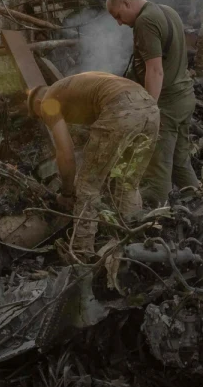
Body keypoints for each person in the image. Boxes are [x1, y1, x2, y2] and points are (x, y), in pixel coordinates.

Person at [22, 72, 159, 260]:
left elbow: (66, 154)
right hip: (150, 109)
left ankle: (81, 256)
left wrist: (67, 192)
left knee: (87, 186)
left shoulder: (46, 102)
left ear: (37, 105)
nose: (43, 120)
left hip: (122, 109)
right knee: (127, 184)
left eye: (39, 117)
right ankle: (133, 247)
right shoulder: (72, 87)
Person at [105, 0, 198, 206]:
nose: (119, 22)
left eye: (118, 15)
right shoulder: (167, 11)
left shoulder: (145, 22)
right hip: (185, 98)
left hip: (167, 106)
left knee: (158, 170)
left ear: (126, 3)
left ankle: (157, 222)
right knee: (180, 163)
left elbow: (155, 71)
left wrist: (149, 112)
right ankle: (201, 206)